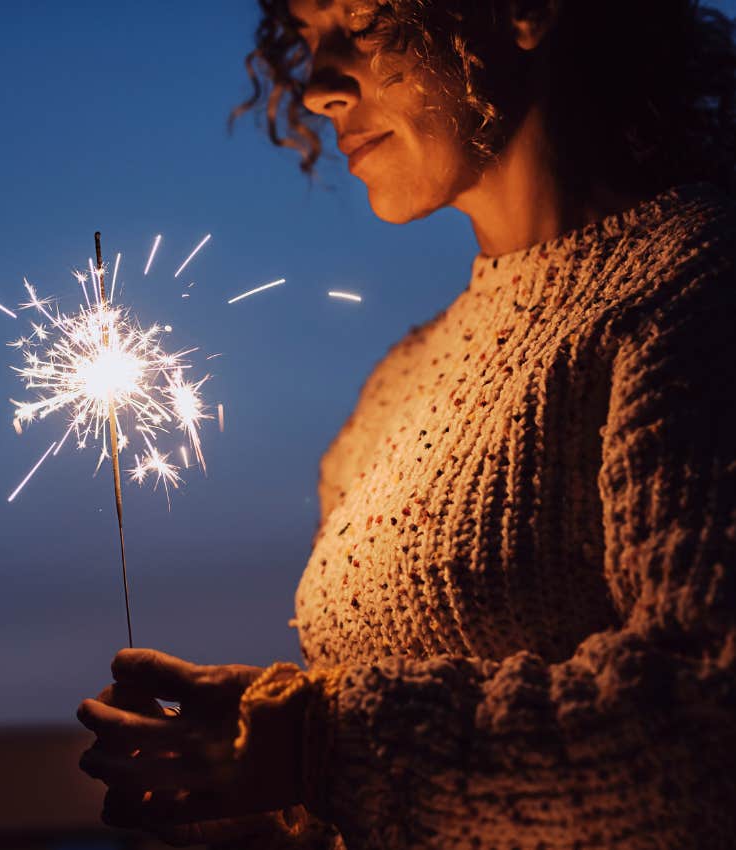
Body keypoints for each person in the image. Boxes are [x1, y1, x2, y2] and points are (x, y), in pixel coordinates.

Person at [77, 1, 736, 847]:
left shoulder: (692, 294)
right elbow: (382, 794)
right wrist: (254, 782)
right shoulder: (395, 390)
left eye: (364, 18)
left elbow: (707, 729)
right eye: (306, 38)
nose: (317, 86)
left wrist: (312, 745)